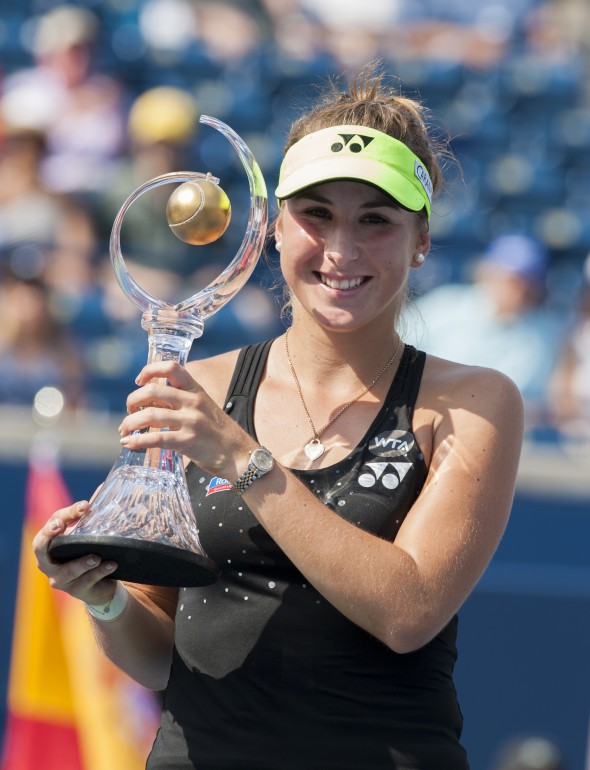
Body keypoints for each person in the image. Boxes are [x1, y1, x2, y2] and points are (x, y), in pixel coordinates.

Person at [33, 64, 524, 770]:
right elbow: (160, 658)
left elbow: (409, 611)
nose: (341, 251)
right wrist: (102, 596)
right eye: (316, 215)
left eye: (375, 221)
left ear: (420, 241)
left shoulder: (475, 402)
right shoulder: (196, 386)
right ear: (273, 231)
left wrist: (245, 460)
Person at [406, 233, 563, 425]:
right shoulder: (444, 306)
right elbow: (396, 356)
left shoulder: (544, 334)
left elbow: (535, 402)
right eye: (510, 279)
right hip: (424, 413)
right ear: (486, 271)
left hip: (498, 427)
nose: (518, 290)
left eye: (527, 282)